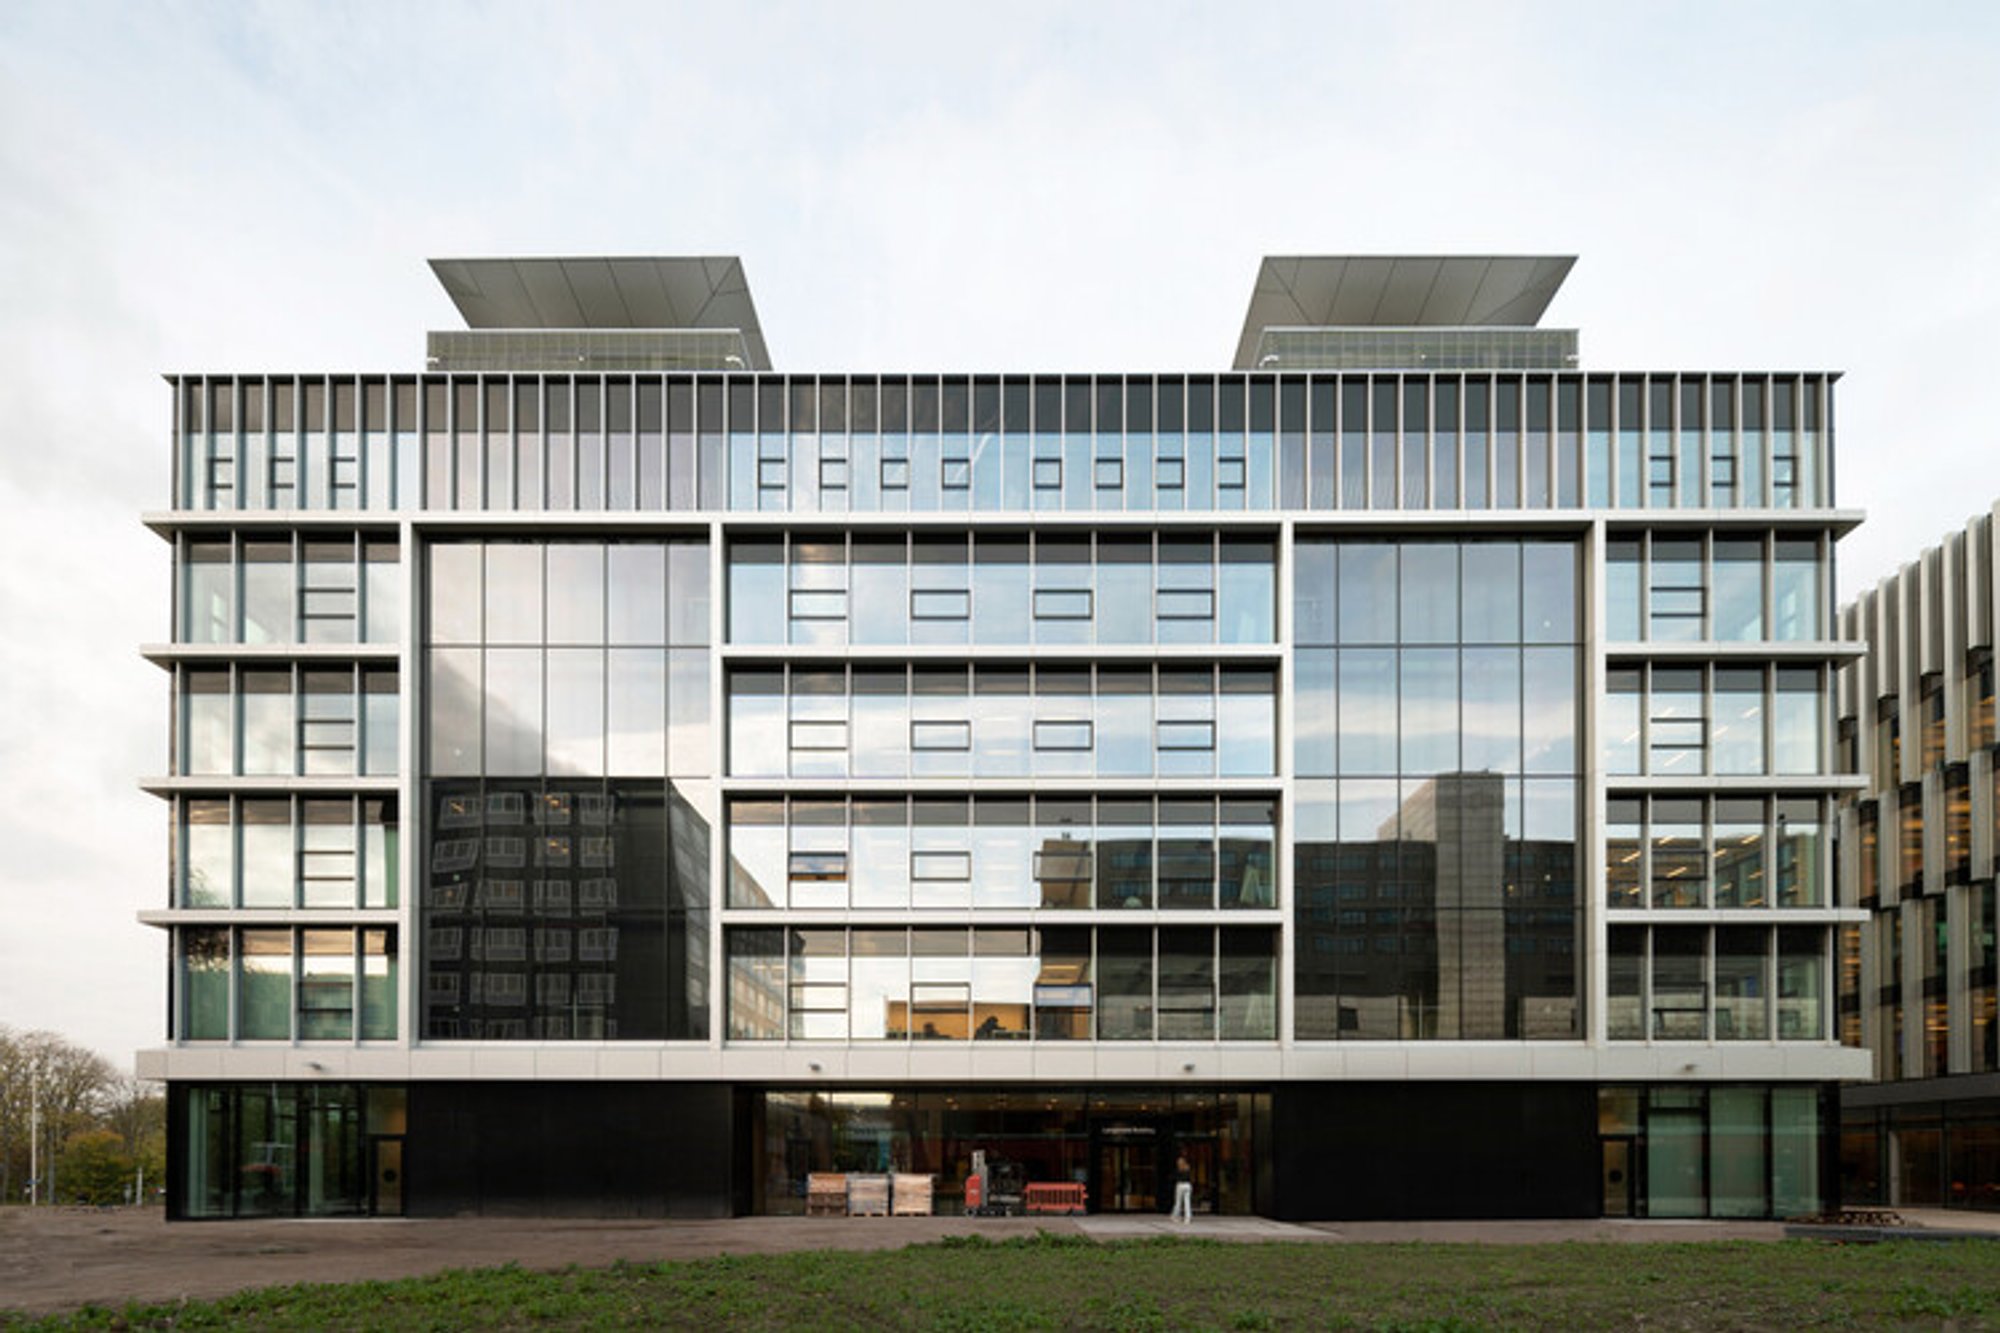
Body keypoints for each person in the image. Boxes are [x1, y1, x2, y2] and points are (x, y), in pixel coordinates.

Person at [1171, 1152, 1193, 1224]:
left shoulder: (1178, 1169)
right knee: (1187, 1203)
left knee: (1178, 1202)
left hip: (1180, 1185)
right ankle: (1187, 1218)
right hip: (1188, 1185)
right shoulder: (1188, 1168)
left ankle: (1175, 1216)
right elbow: (1189, 1177)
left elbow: (1175, 1178)